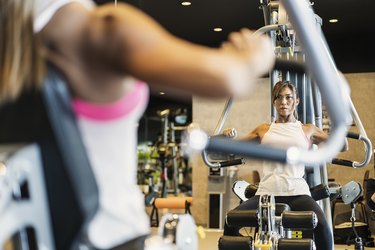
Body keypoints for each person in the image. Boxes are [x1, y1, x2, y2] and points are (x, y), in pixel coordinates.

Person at [0, 0, 275, 249]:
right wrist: (254, 54)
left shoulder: (13, 44)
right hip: (116, 238)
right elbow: (230, 78)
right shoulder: (101, 28)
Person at [223, 80, 333, 250]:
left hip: (297, 192)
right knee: (231, 220)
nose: (283, 102)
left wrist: (338, 135)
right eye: (279, 98)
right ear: (274, 102)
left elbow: (340, 145)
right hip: (267, 193)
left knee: (323, 226)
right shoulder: (264, 129)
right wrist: (227, 137)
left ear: (296, 101)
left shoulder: (307, 129)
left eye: (288, 98)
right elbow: (234, 148)